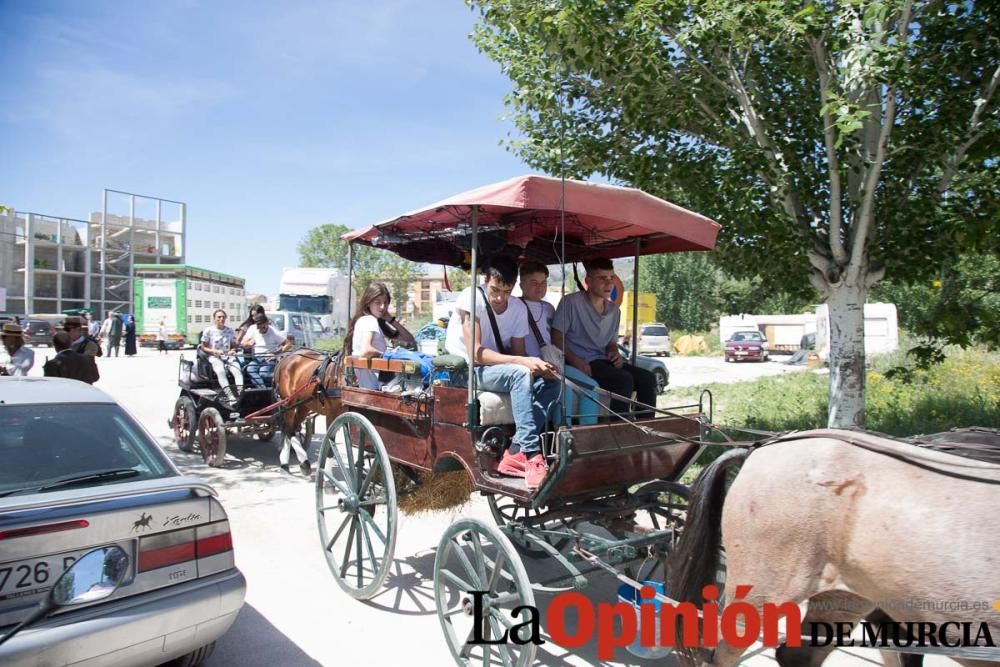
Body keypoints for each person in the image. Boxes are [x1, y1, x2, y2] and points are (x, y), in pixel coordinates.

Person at [444, 254, 560, 489]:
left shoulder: (517, 308)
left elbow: (517, 351)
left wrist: (536, 366)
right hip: (467, 371)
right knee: (519, 373)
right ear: (486, 280)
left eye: (506, 291)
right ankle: (530, 453)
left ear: (513, 288)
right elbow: (476, 353)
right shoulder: (471, 297)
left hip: (495, 370)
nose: (499, 297)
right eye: (495, 289)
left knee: (553, 382)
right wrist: (522, 362)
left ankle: (515, 450)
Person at [552, 257, 657, 418]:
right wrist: (576, 361)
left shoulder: (615, 311)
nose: (608, 284)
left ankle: (646, 430)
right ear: (589, 281)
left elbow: (611, 343)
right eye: (602, 279)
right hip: (582, 362)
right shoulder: (571, 302)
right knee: (624, 379)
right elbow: (557, 338)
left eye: (611, 278)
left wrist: (614, 352)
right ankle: (617, 430)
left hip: (604, 361)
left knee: (648, 378)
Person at [518, 261, 600, 426]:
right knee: (566, 389)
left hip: (555, 363)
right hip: (532, 364)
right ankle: (563, 436)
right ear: (521, 284)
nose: (539, 287)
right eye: (534, 282)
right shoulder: (514, 306)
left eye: (543, 282)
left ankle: (588, 434)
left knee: (592, 388)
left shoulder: (549, 307)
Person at [343, 283, 415, 390]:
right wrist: (389, 355)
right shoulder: (369, 321)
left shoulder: (370, 321)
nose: (383, 307)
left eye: (385, 303)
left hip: (371, 383)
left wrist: (391, 319)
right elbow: (366, 350)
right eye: (378, 303)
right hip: (373, 386)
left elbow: (409, 339)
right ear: (368, 303)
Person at [200, 309, 243, 403]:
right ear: (214, 319)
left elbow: (233, 346)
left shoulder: (230, 331)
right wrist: (214, 351)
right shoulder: (209, 331)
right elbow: (203, 347)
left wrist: (233, 350)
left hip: (228, 356)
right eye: (219, 317)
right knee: (220, 371)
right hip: (214, 357)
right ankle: (230, 396)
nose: (221, 319)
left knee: (237, 371)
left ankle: (240, 395)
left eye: (223, 317)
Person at [241, 313, 292, 387]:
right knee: (250, 369)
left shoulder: (274, 332)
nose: (261, 330)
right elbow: (243, 342)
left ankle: (281, 379)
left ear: (267, 323)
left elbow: (288, 344)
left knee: (263, 372)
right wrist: (248, 343)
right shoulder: (252, 328)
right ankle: (263, 390)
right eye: (259, 327)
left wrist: (276, 354)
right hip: (257, 359)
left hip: (269, 359)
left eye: (263, 327)